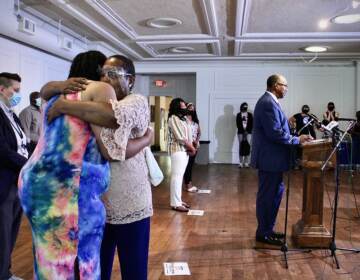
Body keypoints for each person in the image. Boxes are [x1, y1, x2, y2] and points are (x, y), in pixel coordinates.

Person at [18, 51, 151, 279]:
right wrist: (148, 138)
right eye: (104, 73)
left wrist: (62, 102)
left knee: (51, 258)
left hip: (41, 182)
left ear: (130, 79)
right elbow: (111, 147)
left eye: (112, 73)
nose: (107, 79)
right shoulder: (92, 93)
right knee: (85, 262)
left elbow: (113, 116)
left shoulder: (134, 100)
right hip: (77, 189)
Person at [251, 74, 312, 246]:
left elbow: (278, 129)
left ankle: (267, 230)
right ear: (275, 85)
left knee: (274, 195)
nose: (286, 89)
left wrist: (295, 137)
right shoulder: (267, 103)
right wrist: (297, 140)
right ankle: (263, 233)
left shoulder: (271, 102)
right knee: (267, 197)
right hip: (270, 160)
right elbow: (275, 133)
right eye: (284, 85)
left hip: (274, 160)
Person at [0, 72, 27, 280]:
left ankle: (6, 271)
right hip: (4, 181)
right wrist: (28, 164)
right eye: (15, 90)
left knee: (12, 229)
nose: (18, 94)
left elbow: (22, 143)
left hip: (17, 180)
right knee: (3, 232)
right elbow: (2, 150)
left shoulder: (11, 113)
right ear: (2, 89)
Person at [168, 98, 196, 212]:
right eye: (183, 106)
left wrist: (191, 146)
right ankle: (175, 203)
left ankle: (178, 200)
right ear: (177, 107)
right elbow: (180, 137)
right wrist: (192, 148)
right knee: (177, 177)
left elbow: (189, 134)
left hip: (185, 150)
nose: (185, 108)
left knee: (180, 176)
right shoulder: (173, 118)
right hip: (177, 150)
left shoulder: (184, 119)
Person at [183, 102, 201, 192]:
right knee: (187, 166)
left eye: (193, 108)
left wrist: (196, 141)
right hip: (187, 146)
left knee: (190, 165)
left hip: (195, 145)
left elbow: (199, 133)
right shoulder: (184, 120)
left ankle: (188, 183)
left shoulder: (195, 121)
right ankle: (188, 184)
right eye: (190, 107)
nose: (191, 109)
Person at [19, 91, 41, 156]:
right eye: (38, 99)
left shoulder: (39, 112)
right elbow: (25, 131)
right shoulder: (27, 112)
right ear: (33, 100)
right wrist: (28, 145)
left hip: (40, 145)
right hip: (31, 146)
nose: (41, 101)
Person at [236, 102, 253, 168]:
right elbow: (238, 124)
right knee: (241, 146)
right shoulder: (238, 115)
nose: (245, 108)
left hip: (248, 133)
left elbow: (251, 124)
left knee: (248, 146)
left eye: (246, 106)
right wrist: (243, 131)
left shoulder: (250, 115)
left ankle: (246, 162)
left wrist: (247, 131)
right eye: (243, 106)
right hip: (240, 132)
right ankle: (240, 162)